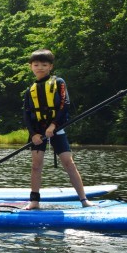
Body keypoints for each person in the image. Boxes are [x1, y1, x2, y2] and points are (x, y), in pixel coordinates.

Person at [23, 49, 93, 210]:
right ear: (31, 67)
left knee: (69, 163)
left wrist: (53, 125)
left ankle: (84, 200)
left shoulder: (59, 82)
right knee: (36, 165)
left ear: (50, 66)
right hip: (38, 131)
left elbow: (64, 103)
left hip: (57, 128)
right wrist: (33, 134)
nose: (40, 68)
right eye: (36, 65)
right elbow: (26, 114)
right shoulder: (30, 89)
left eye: (44, 64)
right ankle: (34, 201)